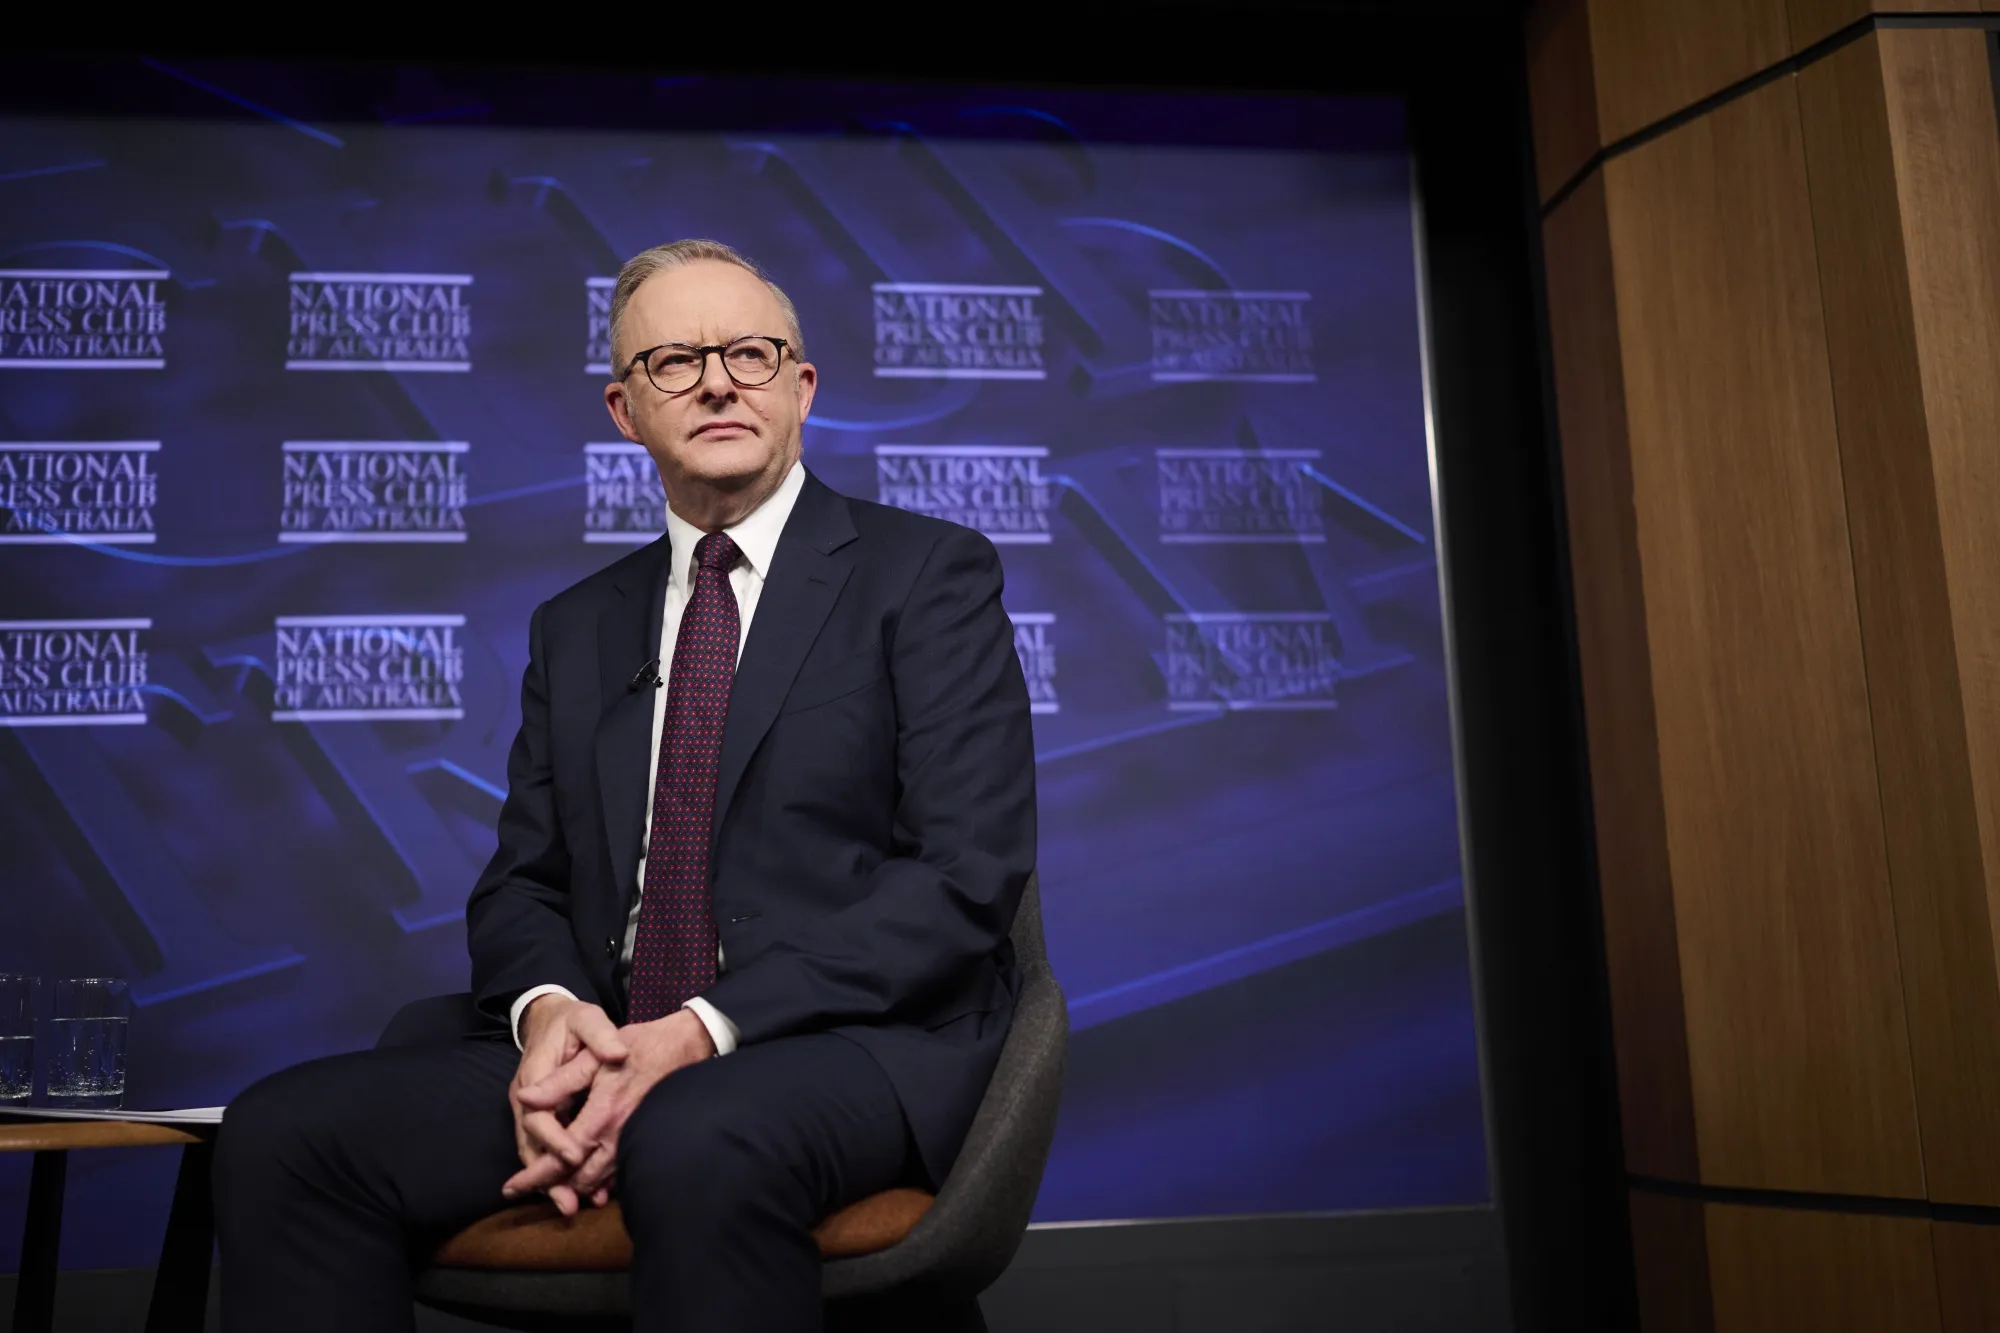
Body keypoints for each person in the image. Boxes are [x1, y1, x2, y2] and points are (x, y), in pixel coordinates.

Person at [213, 239, 1038, 1333]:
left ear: (801, 387)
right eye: (674, 361)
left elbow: (960, 875)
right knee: (284, 1134)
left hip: (842, 1041)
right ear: (624, 410)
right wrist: (554, 1018)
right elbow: (522, 884)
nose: (717, 382)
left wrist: (699, 1029)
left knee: (693, 1132)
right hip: (611, 1038)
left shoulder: (926, 575)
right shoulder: (577, 626)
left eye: (749, 354)